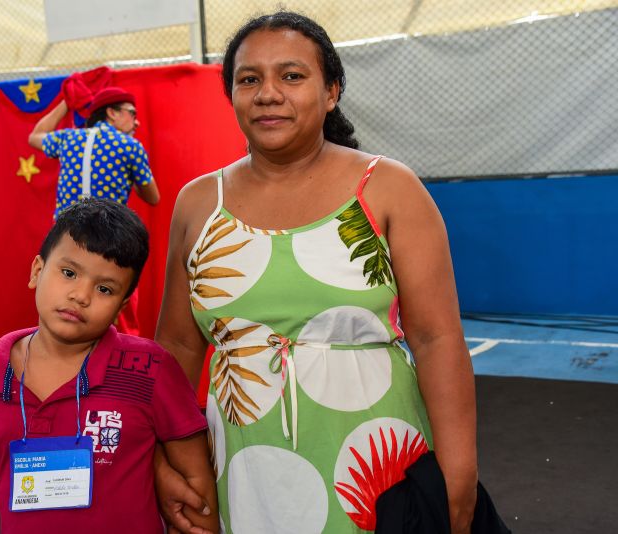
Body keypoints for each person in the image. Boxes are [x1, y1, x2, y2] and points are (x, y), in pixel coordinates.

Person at [154, 11, 478, 534]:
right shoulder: (197, 204)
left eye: (292, 76)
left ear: (331, 92)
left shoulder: (387, 187)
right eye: (249, 79)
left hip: (376, 462)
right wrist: (164, 463)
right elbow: (177, 349)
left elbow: (437, 338)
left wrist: (459, 475)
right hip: (242, 466)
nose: (268, 94)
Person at [0, 199, 218, 533]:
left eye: (104, 288)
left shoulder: (151, 368)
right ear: (37, 271)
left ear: (121, 304)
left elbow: (195, 477)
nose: (81, 295)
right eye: (69, 273)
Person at [28, 84, 160, 219]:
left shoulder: (67, 138)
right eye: (132, 113)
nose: (137, 122)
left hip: (65, 233)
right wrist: (133, 168)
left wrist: (67, 102)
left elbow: (34, 136)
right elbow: (153, 198)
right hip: (108, 233)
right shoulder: (131, 146)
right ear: (112, 113)